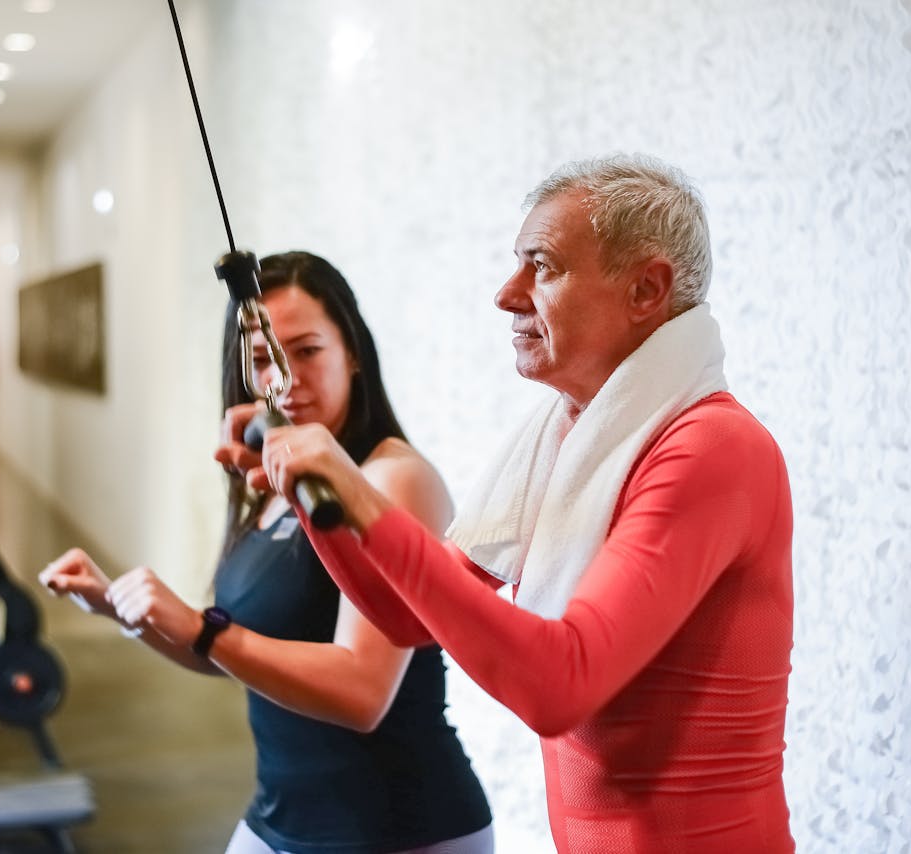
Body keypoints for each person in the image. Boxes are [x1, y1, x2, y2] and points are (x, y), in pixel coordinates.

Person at [250, 156, 796, 853]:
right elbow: (405, 616)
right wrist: (308, 489)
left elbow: (558, 687)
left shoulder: (713, 448)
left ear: (646, 290)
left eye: (542, 266)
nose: (507, 295)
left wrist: (356, 489)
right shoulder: (565, 433)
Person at [40, 251, 493, 854]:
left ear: (353, 354)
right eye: (262, 359)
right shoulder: (277, 481)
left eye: (307, 351)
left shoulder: (392, 478)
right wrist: (117, 605)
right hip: (280, 815)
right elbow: (235, 655)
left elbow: (363, 694)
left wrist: (202, 628)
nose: (285, 378)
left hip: (398, 828)